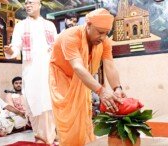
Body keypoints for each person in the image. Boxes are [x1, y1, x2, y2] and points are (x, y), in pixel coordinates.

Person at [49, 8, 127, 145]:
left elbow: (109, 64)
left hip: (82, 78)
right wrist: (101, 90)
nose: (103, 37)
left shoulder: (104, 41)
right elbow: (78, 66)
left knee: (84, 116)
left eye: (106, 33)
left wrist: (117, 87)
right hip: (62, 76)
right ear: (88, 25)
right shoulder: (70, 36)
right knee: (69, 117)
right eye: (100, 33)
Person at [3, 0, 57, 144]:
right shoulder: (21, 26)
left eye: (31, 2)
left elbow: (56, 48)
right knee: (33, 103)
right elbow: (15, 48)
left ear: (39, 5)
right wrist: (9, 51)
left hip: (48, 71)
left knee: (49, 105)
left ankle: (49, 138)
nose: (27, 5)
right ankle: (40, 137)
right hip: (31, 72)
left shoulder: (50, 25)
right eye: (26, 3)